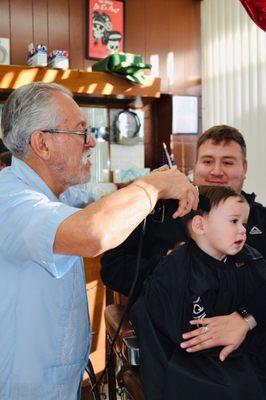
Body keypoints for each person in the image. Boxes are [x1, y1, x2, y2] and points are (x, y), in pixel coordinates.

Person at [0, 81, 198, 400]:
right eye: (80, 132)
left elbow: (103, 208)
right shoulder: (10, 201)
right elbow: (94, 232)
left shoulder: (60, 194)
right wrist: (152, 186)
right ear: (42, 144)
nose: (91, 142)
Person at [100, 124, 266, 359]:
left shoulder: (261, 220)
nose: (216, 171)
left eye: (228, 162)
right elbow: (113, 267)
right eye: (208, 161)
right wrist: (172, 272)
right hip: (176, 349)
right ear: (195, 165)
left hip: (252, 347)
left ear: (244, 168)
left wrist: (246, 318)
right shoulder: (159, 215)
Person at [130, 186, 266, 400]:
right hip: (191, 364)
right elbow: (186, 337)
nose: (243, 230)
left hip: (241, 359)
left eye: (244, 223)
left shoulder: (250, 260)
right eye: (233, 221)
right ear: (200, 225)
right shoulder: (174, 270)